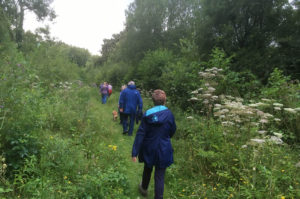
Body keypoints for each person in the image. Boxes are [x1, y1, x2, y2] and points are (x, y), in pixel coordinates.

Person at [132, 89, 176, 199]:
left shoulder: (147, 114)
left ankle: (144, 189)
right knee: (160, 176)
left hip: (149, 148)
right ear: (165, 100)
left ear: (153, 101)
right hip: (164, 148)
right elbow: (172, 130)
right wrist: (166, 138)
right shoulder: (169, 114)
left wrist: (134, 152)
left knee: (147, 168)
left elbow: (141, 134)